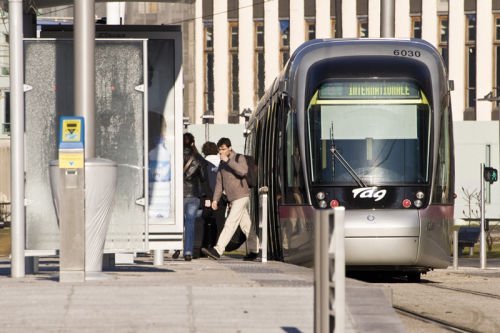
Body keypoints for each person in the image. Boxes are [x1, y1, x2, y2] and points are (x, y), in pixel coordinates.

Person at [202, 137, 260, 261]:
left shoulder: (239, 158)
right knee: (246, 225)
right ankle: (255, 250)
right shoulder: (221, 165)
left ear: (229, 148)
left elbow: (242, 171)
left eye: (223, 149)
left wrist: (228, 161)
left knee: (230, 223)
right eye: (220, 150)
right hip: (232, 198)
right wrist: (215, 200)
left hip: (242, 195)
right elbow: (219, 184)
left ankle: (218, 250)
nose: (221, 152)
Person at [183, 132, 208, 261]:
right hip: (193, 194)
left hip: (179, 194)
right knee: (190, 223)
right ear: (193, 142)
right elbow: (203, 177)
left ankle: (176, 247)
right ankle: (187, 251)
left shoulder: (175, 155)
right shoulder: (197, 158)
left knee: (179, 222)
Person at [200, 141, 226, 250]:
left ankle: (206, 245)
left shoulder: (203, 163)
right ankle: (218, 246)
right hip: (221, 197)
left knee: (206, 222)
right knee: (219, 222)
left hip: (207, 197)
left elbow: (202, 182)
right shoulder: (222, 163)